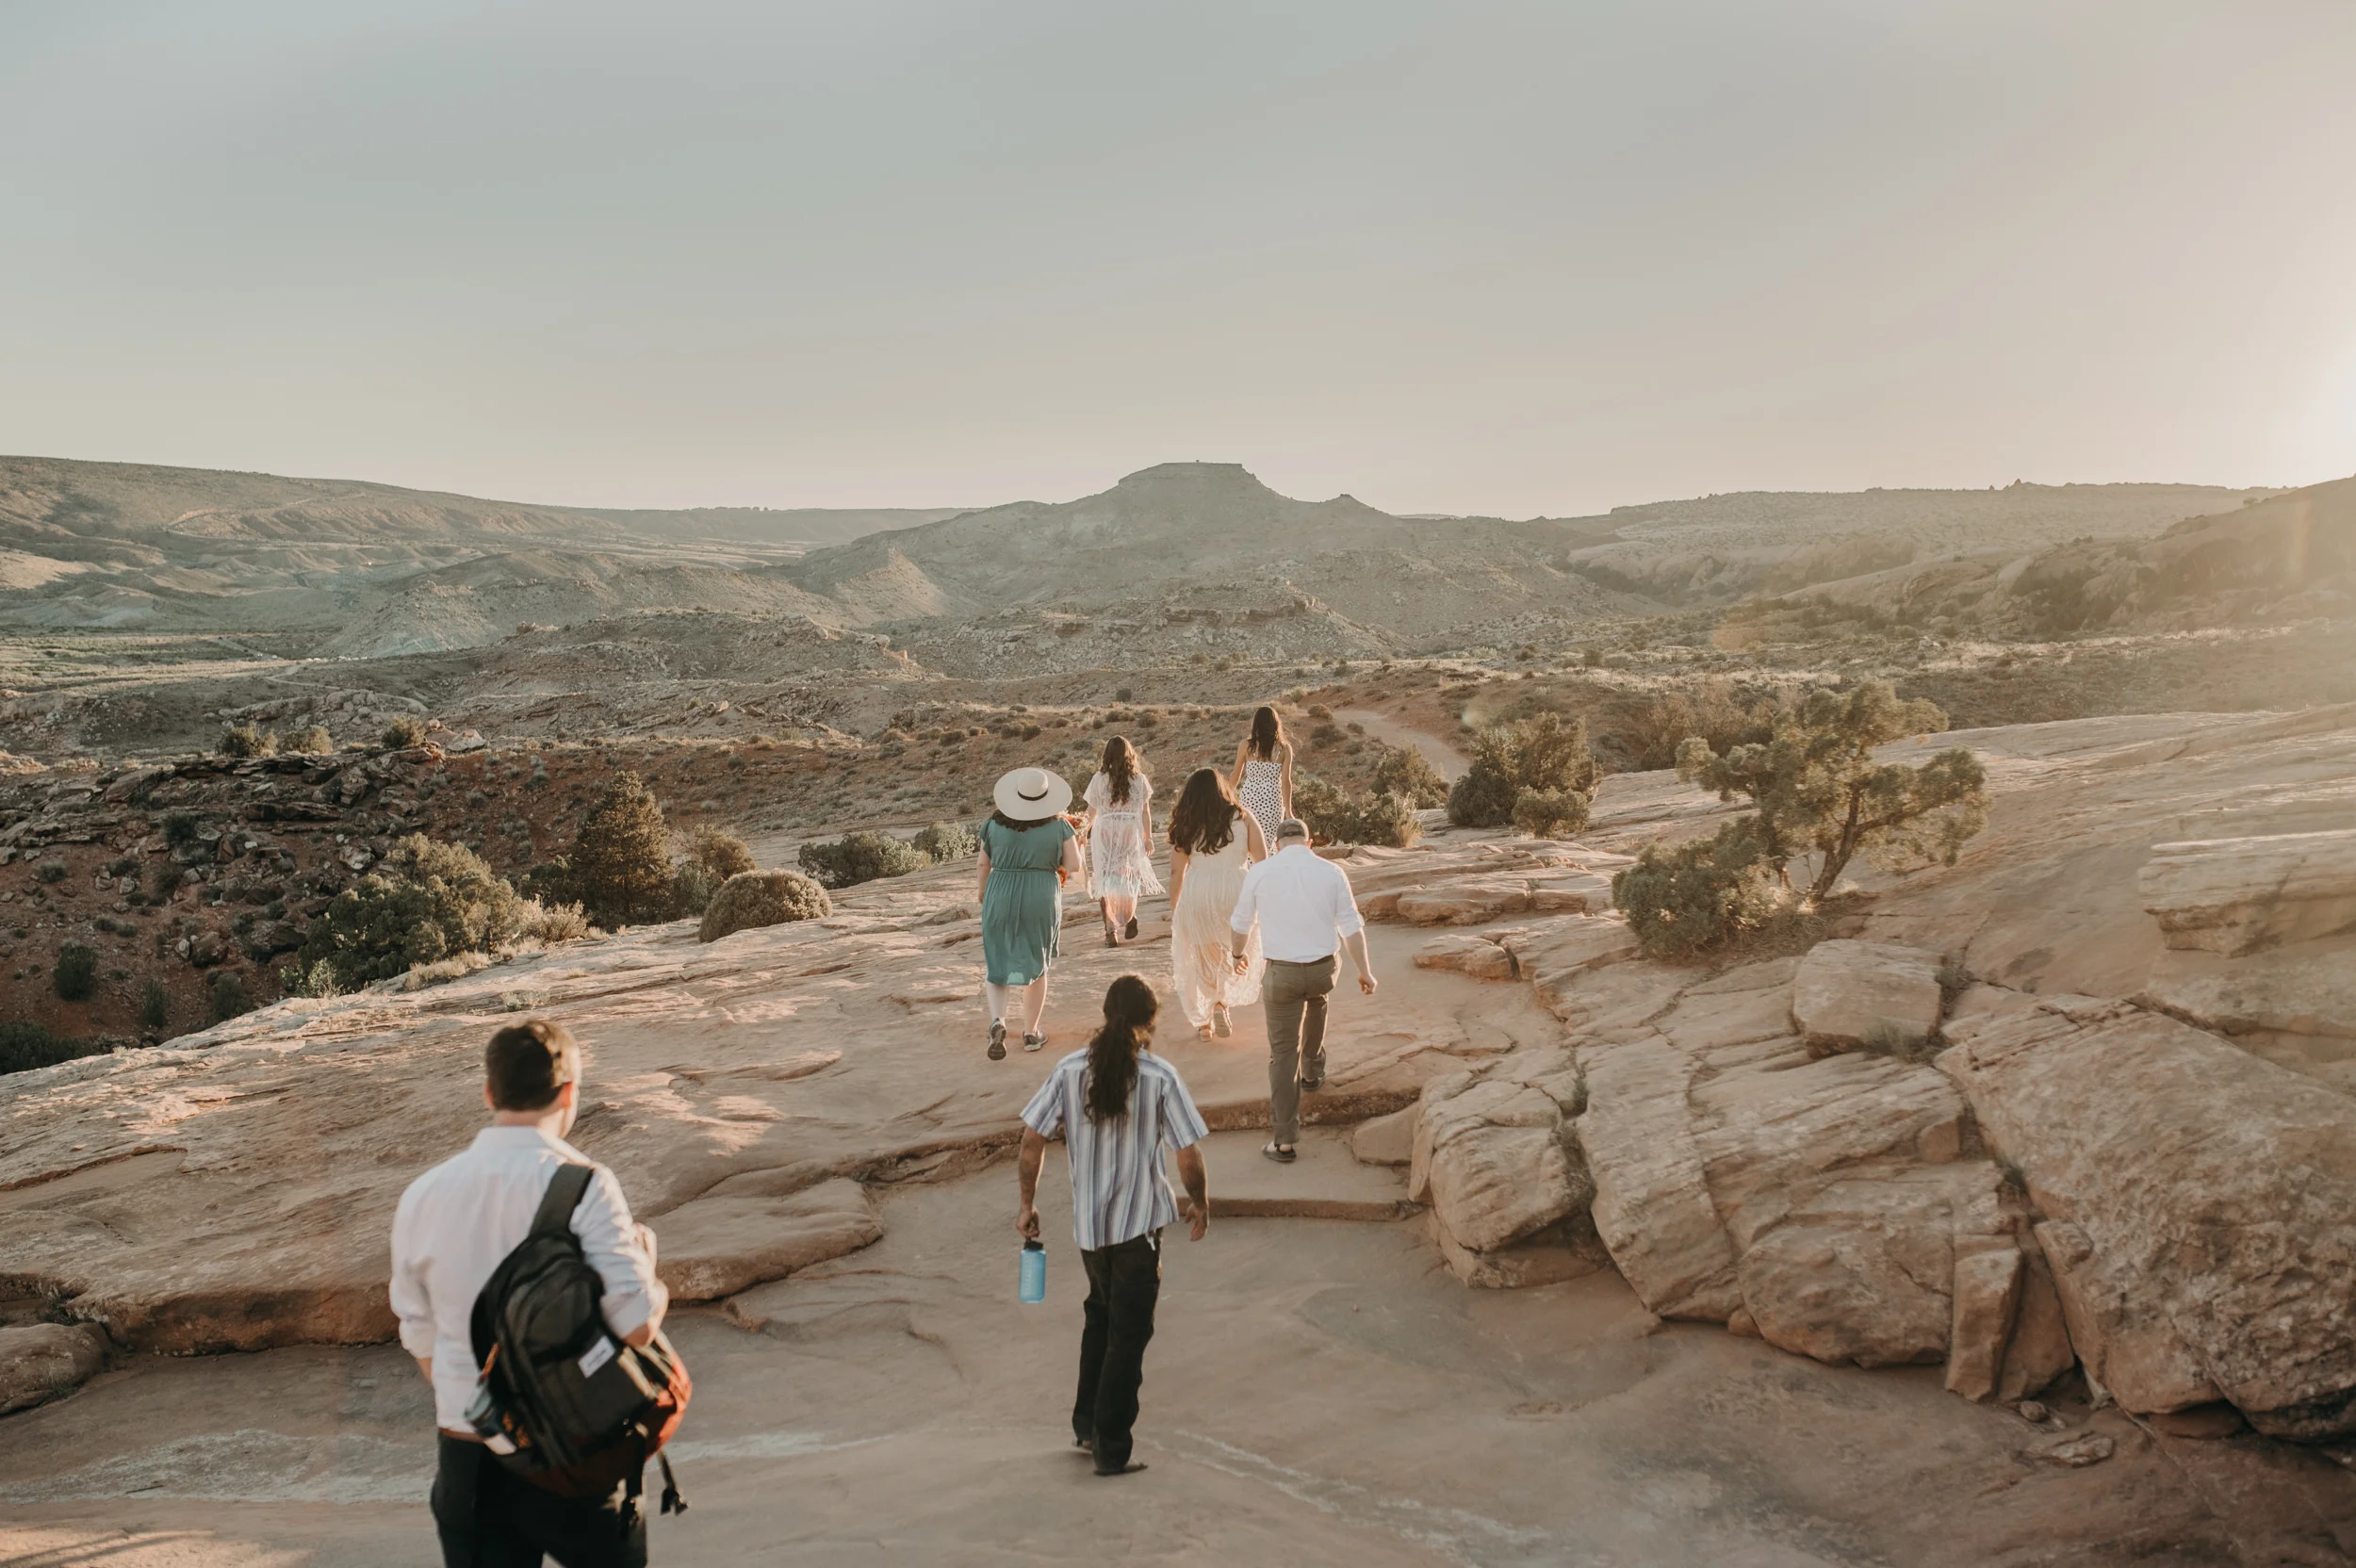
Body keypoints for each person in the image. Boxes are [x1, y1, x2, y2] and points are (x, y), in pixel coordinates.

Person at [390, 1020, 667, 1568]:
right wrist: (650, 1271)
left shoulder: (422, 1195)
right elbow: (637, 1325)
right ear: (568, 1093)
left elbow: (422, 1342)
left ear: (489, 1093)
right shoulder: (585, 1184)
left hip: (469, 1457)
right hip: (570, 1451)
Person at [1016, 975, 1210, 1478]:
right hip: (1138, 1229)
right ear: (1150, 1021)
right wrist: (1200, 1203)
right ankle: (1111, 1447)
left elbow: (1031, 1141)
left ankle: (1086, 1426)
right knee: (1129, 1335)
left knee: (1100, 1318)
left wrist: (1027, 1205)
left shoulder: (1068, 1070)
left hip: (1090, 1231)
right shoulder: (1160, 1077)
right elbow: (1188, 1154)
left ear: (1105, 1015)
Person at [1228, 818, 1378, 1163]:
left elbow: (1240, 923)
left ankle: (1284, 1140)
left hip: (1281, 974)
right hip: (1324, 969)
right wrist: (1365, 971)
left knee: (1283, 1053)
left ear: (1277, 844)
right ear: (1309, 843)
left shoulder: (1260, 872)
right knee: (1317, 998)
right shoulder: (1332, 872)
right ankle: (1312, 1070)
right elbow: (1351, 928)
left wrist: (1237, 955)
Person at [978, 767, 1084, 1059]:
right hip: (1040, 893)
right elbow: (1073, 865)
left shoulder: (993, 824)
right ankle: (1031, 1033)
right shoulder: (1060, 826)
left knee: (997, 959)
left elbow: (983, 864)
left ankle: (998, 1021)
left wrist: (982, 893)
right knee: (1037, 963)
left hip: (1000, 891)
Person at [1165, 766, 1267, 1039]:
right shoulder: (1243, 817)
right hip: (1236, 889)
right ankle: (1221, 1002)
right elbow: (1262, 862)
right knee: (1233, 950)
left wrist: (1176, 908)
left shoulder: (1186, 821)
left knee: (1203, 955)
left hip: (1199, 890)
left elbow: (1176, 872)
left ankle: (1210, 1015)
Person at [1081, 736, 1163, 947]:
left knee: (1105, 878)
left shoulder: (1099, 779)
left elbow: (1091, 811)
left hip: (1105, 834)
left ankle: (1110, 932)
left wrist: (1082, 833)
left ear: (1107, 755)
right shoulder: (1139, 779)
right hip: (1129, 832)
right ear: (1130, 755)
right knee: (1128, 875)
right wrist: (1148, 838)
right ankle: (1130, 915)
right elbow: (1145, 812)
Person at [1229, 706, 1293, 857]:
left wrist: (1226, 796)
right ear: (1276, 723)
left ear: (1256, 723)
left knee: (1248, 841)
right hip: (1272, 801)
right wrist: (1289, 811)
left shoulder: (1246, 745)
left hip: (1250, 799)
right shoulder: (1284, 749)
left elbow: (1236, 775)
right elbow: (1286, 781)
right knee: (1269, 842)